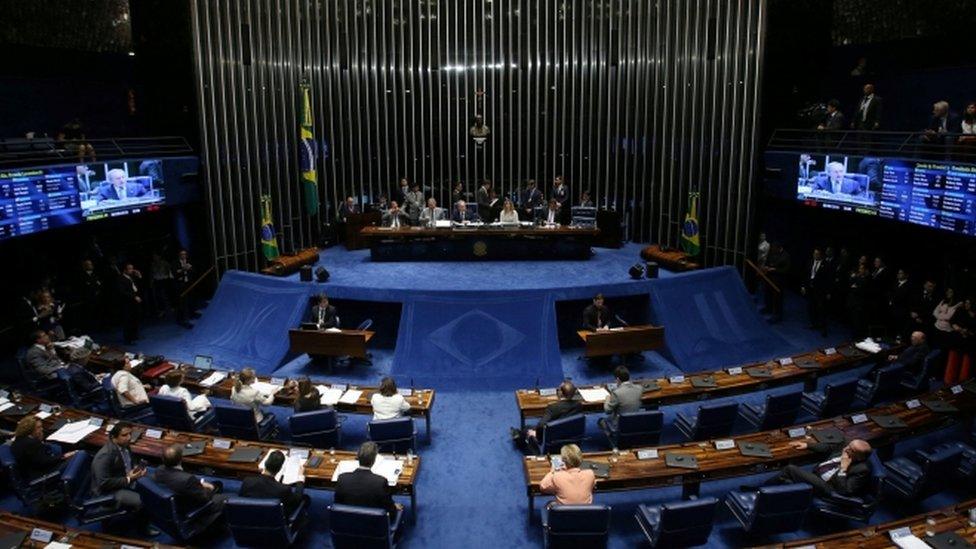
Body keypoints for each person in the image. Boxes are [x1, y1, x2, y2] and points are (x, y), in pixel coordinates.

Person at [91, 422, 158, 536]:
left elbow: (127, 462)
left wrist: (136, 468)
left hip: (124, 479)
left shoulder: (124, 445)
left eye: (130, 434)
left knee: (154, 482)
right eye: (124, 435)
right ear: (113, 437)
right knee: (142, 501)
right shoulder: (104, 456)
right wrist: (128, 479)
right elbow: (103, 483)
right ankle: (143, 529)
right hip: (108, 492)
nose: (129, 438)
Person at [760, 439, 873, 498]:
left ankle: (759, 490)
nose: (846, 449)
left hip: (828, 487)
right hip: (817, 474)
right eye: (849, 445)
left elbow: (845, 491)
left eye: (852, 450)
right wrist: (807, 445)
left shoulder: (862, 470)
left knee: (790, 469)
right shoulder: (846, 447)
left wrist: (843, 469)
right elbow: (828, 447)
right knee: (786, 479)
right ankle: (769, 493)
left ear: (860, 457)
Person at [154, 444, 228, 517]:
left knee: (218, 483)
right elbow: (205, 498)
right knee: (226, 499)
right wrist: (209, 487)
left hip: (175, 500)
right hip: (190, 506)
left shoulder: (159, 469)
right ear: (180, 459)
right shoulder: (188, 479)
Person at [515, 380, 582, 454]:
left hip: (553, 438)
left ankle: (521, 440)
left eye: (559, 389)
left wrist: (536, 434)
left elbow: (540, 425)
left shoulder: (553, 408)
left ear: (561, 393)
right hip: (569, 436)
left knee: (526, 428)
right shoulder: (578, 405)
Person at [334, 442, 399, 517]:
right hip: (372, 524)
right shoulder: (380, 482)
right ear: (374, 460)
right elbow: (390, 510)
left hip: (347, 521)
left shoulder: (342, 478)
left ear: (358, 457)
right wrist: (394, 507)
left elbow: (337, 505)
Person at [240, 450, 308, 517]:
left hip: (249, 519)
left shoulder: (247, 481)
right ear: (280, 469)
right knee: (306, 498)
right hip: (273, 521)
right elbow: (297, 500)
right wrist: (300, 479)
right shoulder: (283, 489)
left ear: (265, 463)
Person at [11, 416, 77, 481]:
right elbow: (44, 462)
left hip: (31, 469)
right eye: (39, 427)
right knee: (80, 455)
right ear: (30, 430)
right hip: (41, 474)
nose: (42, 429)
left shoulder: (19, 439)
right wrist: (63, 456)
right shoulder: (31, 444)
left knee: (57, 447)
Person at [600, 366, 642, 432]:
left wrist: (607, 398)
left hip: (620, 426)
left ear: (618, 379)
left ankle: (611, 435)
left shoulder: (617, 393)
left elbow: (607, 411)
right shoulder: (639, 388)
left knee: (600, 421)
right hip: (634, 423)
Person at [801, 248, 831, 336]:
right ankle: (814, 324)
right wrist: (803, 286)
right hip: (810, 289)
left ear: (821, 255)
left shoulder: (826, 265)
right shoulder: (810, 262)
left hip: (820, 290)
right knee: (811, 307)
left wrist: (828, 292)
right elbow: (805, 274)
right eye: (814, 253)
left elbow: (828, 279)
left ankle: (823, 328)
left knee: (821, 309)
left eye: (817, 254)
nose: (815, 255)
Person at [946, 298, 976, 383]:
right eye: (966, 303)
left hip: (970, 342)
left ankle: (962, 383)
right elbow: (952, 321)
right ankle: (948, 382)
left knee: (966, 365)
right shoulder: (961, 311)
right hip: (957, 339)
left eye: (968, 303)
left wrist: (968, 332)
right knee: (953, 361)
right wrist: (958, 328)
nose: (966, 305)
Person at [118, 263, 143, 344]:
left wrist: (139, 275)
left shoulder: (132, 277)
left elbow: (138, 286)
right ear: (125, 270)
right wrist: (134, 297)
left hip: (135, 301)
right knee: (128, 321)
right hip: (127, 303)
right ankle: (128, 339)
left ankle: (135, 335)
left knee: (136, 318)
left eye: (132, 268)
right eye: (129, 269)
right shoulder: (121, 279)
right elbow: (123, 292)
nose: (131, 270)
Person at [173, 249, 197, 327]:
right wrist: (183, 269)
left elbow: (194, 271)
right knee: (181, 302)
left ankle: (192, 314)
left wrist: (190, 269)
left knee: (191, 299)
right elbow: (175, 273)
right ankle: (181, 319)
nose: (183, 256)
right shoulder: (175, 263)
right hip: (180, 284)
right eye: (182, 254)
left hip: (189, 283)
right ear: (179, 255)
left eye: (185, 254)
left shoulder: (190, 261)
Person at [888, 269, 913, 338]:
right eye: (898, 273)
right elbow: (891, 293)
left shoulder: (909, 285)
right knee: (893, 328)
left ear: (906, 275)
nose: (899, 275)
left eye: (901, 273)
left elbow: (906, 298)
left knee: (901, 329)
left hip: (902, 311)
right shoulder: (895, 283)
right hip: (893, 309)